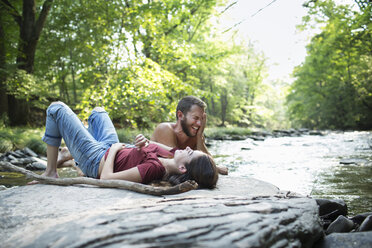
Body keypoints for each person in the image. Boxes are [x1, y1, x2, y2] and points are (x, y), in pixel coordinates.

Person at [35, 102, 218, 189]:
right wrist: (143, 142)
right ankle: (74, 154)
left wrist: (114, 150)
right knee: (98, 112)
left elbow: (106, 179)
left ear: (182, 168)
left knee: (56, 109)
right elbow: (149, 144)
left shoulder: (153, 169)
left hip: (96, 159)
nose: (188, 149)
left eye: (191, 154)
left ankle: (52, 170)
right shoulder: (172, 155)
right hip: (109, 147)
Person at [151, 96, 228, 175]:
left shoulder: (195, 135)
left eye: (201, 119)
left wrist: (199, 136)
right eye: (195, 118)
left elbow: (206, 163)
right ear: (180, 115)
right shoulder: (165, 129)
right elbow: (176, 162)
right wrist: (217, 168)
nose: (199, 123)